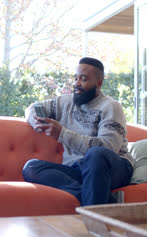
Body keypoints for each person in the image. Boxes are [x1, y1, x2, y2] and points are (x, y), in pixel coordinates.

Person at [22, 57, 134, 206]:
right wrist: (37, 122)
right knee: (31, 167)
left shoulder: (111, 107)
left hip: (112, 167)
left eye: (83, 79)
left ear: (98, 83)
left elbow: (108, 147)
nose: (76, 83)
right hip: (78, 170)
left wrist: (62, 134)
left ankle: (93, 219)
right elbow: (32, 108)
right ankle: (107, 199)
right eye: (75, 78)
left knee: (95, 154)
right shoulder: (65, 102)